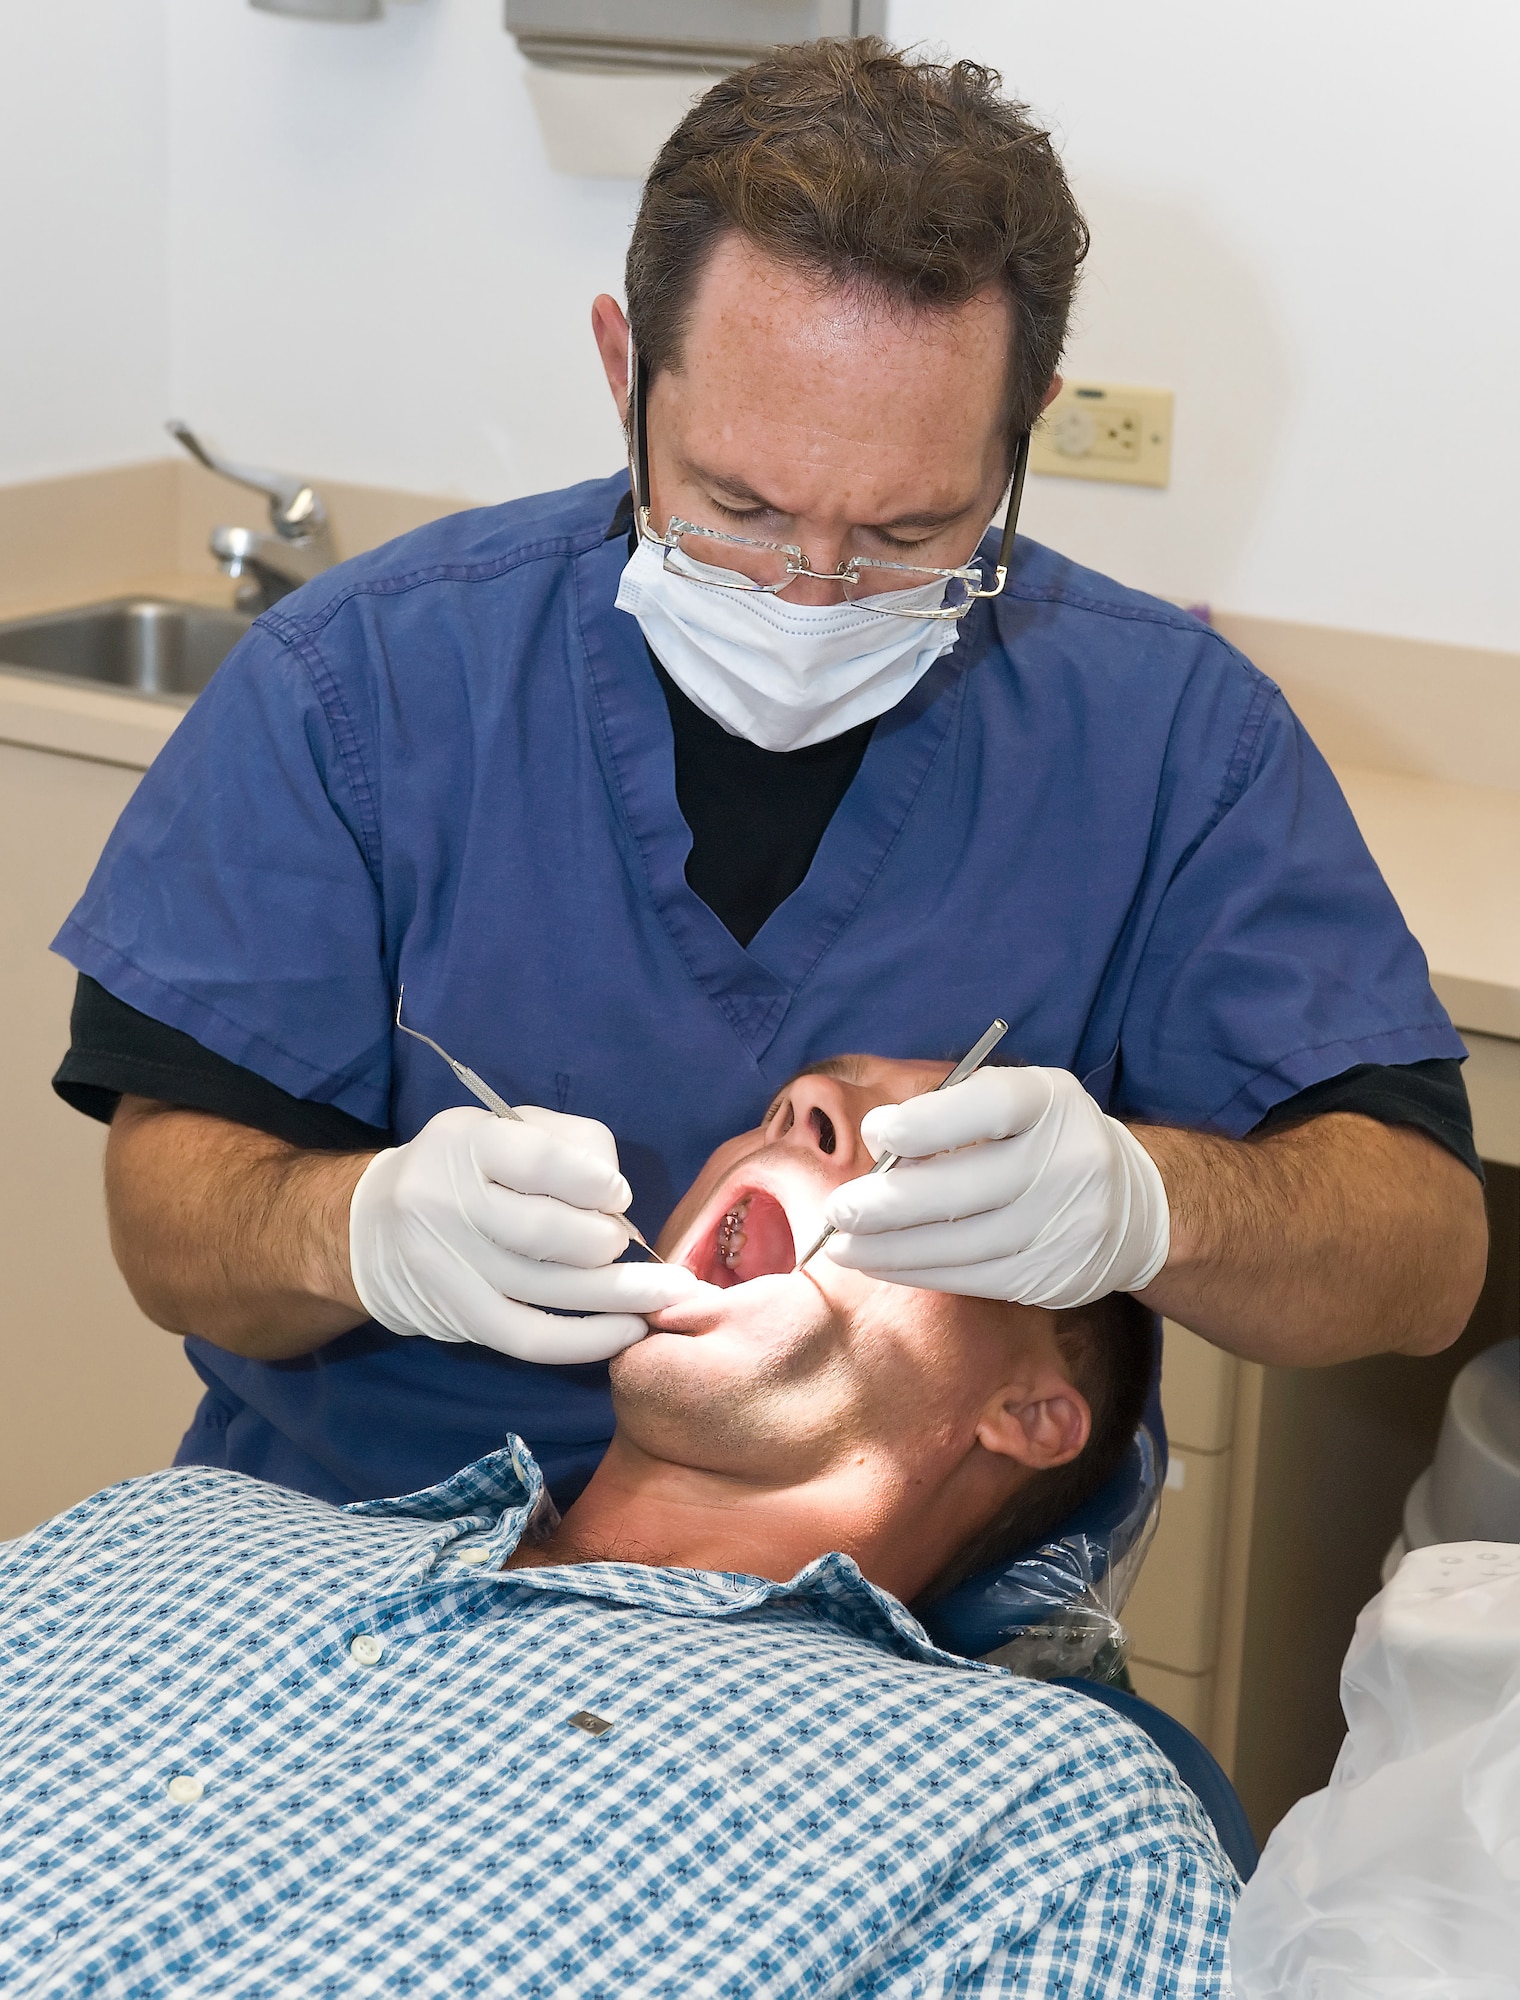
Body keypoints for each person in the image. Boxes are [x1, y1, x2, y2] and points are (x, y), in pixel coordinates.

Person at [52, 40, 1485, 1515]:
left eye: (911, 529)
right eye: (740, 507)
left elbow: (1422, 1259)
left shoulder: (1172, 743)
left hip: (908, 1641)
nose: (810, 598)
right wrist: (345, 1230)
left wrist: (1151, 1207)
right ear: (624, 368)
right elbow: (171, 1227)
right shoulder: (359, 685)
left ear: (1025, 425)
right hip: (350, 1545)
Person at [0, 1057, 1236, 1997]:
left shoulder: (1048, 1814)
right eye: (794, 1102)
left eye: (933, 1162)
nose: (801, 1101)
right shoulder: (173, 1532)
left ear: (1029, 1411)